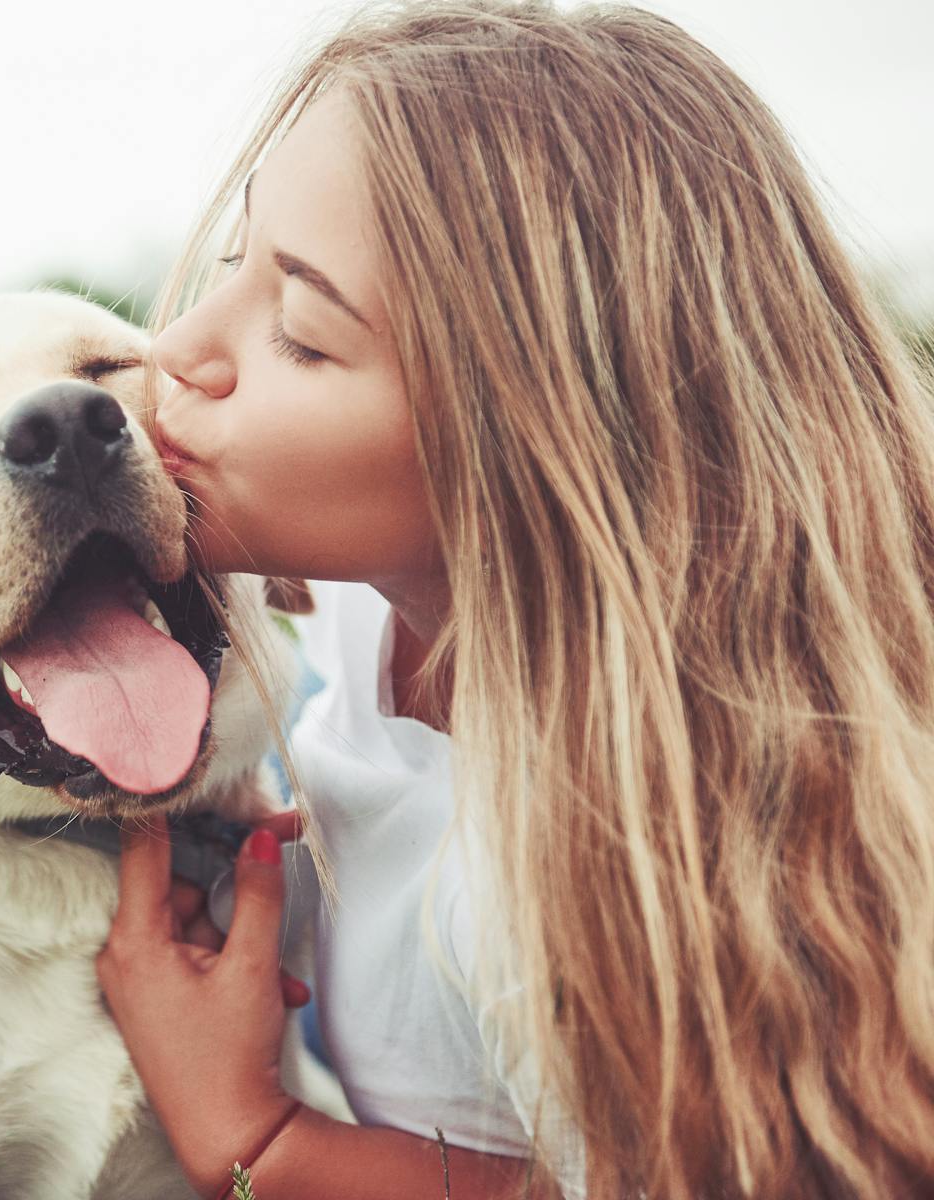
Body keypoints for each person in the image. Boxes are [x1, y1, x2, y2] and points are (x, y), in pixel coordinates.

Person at [92, 2, 934, 1197]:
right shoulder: (369, 606)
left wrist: (257, 1138)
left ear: (531, 442)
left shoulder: (606, 858)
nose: (176, 348)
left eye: (300, 333)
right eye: (237, 265)